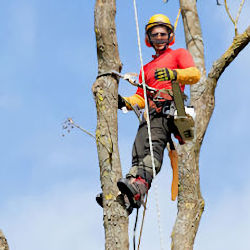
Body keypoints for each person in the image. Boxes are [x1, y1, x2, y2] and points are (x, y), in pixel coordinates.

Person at [97, 14, 201, 214]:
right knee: (138, 150)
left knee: (153, 148)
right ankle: (129, 193)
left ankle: (141, 184)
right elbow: (140, 98)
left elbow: (194, 74)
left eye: (163, 34)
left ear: (169, 35)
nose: (159, 38)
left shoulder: (178, 53)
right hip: (150, 114)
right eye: (155, 35)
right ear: (149, 39)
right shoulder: (146, 69)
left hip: (168, 110)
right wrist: (125, 102)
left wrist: (174, 75)